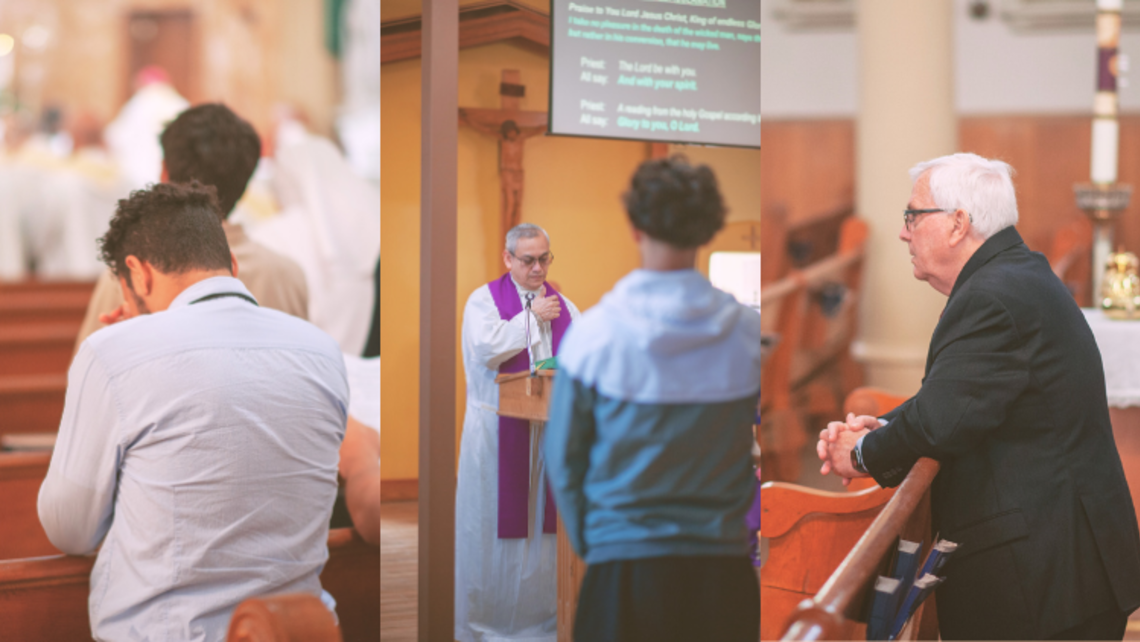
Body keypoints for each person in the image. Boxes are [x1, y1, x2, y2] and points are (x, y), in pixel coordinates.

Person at [817, 153, 1140, 640]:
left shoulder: (993, 294)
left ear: (957, 224)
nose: (904, 233)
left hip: (1047, 577)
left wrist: (860, 453)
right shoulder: (1012, 275)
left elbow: (941, 421)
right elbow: (959, 395)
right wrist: (879, 427)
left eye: (912, 216)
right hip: (1059, 560)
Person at [38, 181, 348, 641]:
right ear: (233, 266)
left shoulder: (112, 353)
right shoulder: (322, 351)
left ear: (137, 274)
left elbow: (70, 529)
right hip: (295, 628)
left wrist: (125, 345)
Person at [544, 157, 763, 642]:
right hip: (722, 572)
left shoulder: (594, 335)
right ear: (708, 229)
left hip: (624, 568)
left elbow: (563, 460)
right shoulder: (748, 335)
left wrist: (599, 543)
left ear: (634, 226)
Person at [75, 103, 309, 348]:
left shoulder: (133, 274)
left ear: (164, 172)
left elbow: (85, 374)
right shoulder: (288, 276)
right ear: (245, 184)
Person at [456, 222, 580, 642]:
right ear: (508, 258)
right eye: (528, 260)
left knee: (541, 540)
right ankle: (482, 626)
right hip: (496, 435)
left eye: (545, 258)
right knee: (489, 531)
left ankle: (541, 624)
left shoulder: (564, 306)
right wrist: (530, 318)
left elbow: (580, 357)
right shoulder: (483, 301)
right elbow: (486, 349)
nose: (538, 268)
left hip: (546, 435)